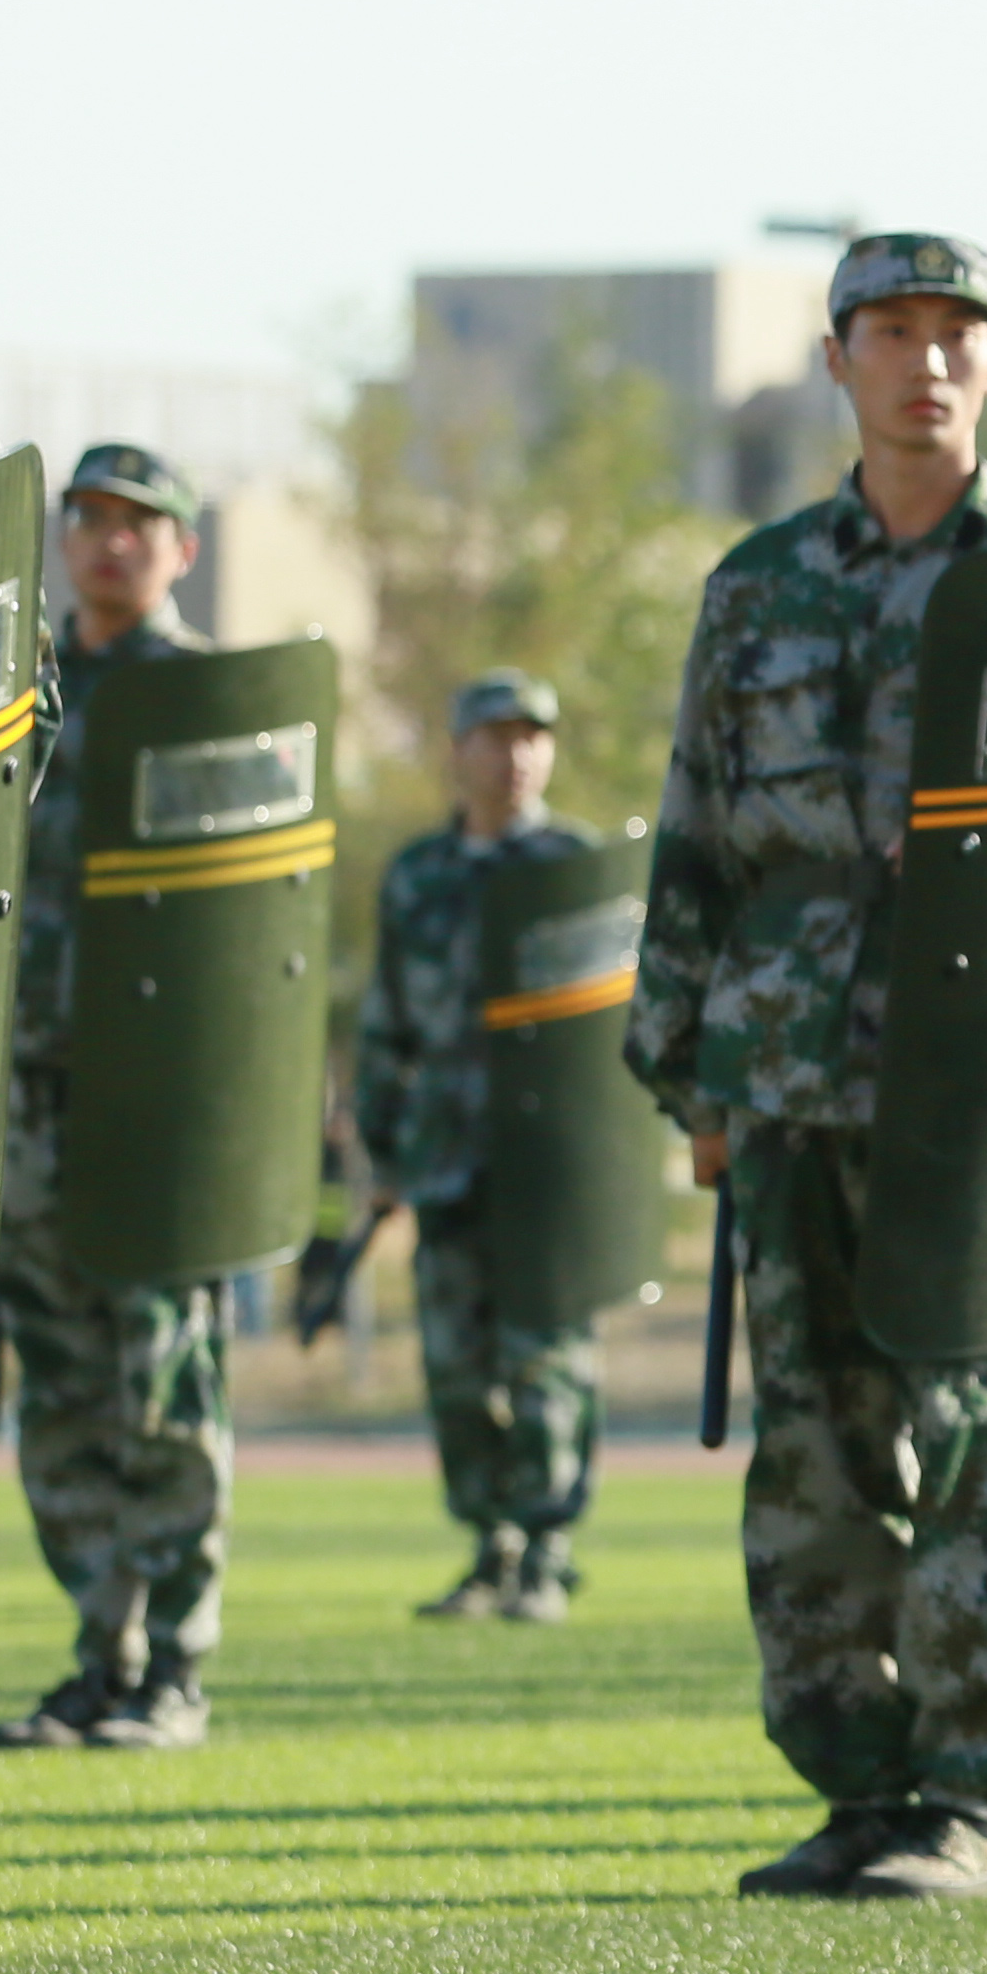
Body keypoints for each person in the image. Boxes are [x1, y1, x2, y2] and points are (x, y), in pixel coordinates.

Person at [630, 230, 987, 1906]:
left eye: (957, 332)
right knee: (814, 1453)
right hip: (788, 1068)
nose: (926, 361)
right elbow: (695, 828)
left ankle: (965, 1795)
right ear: (836, 361)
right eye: (890, 331)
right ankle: (856, 1782)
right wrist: (687, 1072)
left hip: (986, 1090)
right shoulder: (757, 584)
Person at [0, 441, 238, 1757]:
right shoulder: (13, 691)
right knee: (62, 1383)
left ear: (182, 550)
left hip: (157, 1095)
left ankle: (173, 1668)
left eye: (140, 522)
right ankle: (100, 1652)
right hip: (24, 1087)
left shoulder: (212, 700)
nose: (110, 540)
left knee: (166, 1381)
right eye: (88, 518)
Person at [346, 670, 611, 1624]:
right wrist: (380, 1149)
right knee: (458, 1370)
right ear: (458, 752)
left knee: (547, 1365)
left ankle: (545, 1551)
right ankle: (490, 1547)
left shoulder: (576, 865)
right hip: (444, 1158)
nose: (517, 755)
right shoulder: (419, 874)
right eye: (497, 737)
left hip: (547, 1167)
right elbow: (387, 1021)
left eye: (533, 736)